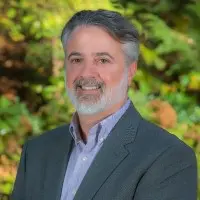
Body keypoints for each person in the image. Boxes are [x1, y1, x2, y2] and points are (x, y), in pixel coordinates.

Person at [11, 9, 197, 200]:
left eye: (102, 60)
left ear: (130, 70)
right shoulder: (36, 152)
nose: (86, 73)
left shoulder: (168, 158)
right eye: (76, 59)